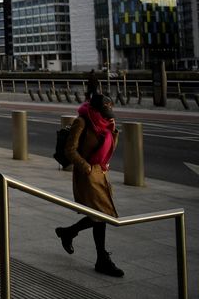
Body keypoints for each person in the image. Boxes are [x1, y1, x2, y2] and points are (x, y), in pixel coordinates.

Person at [55, 94, 124, 277]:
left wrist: (113, 131)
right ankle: (101, 259)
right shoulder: (82, 122)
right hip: (87, 175)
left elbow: (109, 150)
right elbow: (70, 150)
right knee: (101, 215)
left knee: (99, 215)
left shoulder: (105, 124)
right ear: (94, 109)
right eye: (103, 112)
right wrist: (86, 168)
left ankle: (68, 233)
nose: (107, 116)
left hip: (101, 173)